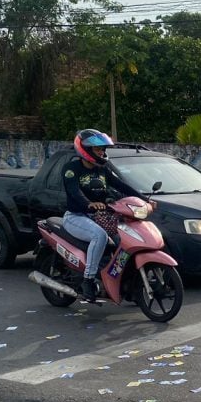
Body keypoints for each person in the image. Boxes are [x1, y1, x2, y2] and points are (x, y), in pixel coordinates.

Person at [62, 129, 150, 301]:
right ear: (85, 149)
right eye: (98, 149)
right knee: (99, 236)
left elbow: (121, 186)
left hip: (101, 217)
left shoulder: (102, 170)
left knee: (123, 240)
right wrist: (89, 204)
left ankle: (126, 282)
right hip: (76, 216)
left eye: (103, 149)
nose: (102, 152)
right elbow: (74, 192)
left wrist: (144, 199)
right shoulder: (71, 169)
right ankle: (88, 280)